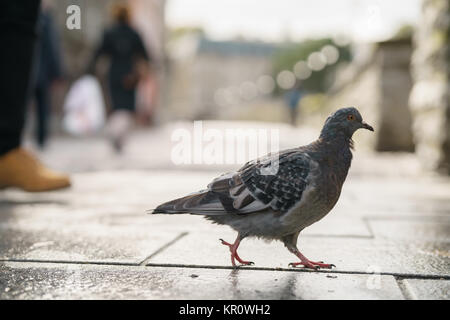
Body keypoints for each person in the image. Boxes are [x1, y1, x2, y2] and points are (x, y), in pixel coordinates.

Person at [0, 1, 71, 192]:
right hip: (39, 72)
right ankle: (7, 148)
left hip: (39, 73)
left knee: (20, 11)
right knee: (18, 11)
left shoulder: (47, 19)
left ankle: (9, 150)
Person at [88, 3, 151, 152]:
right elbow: (145, 56)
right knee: (127, 108)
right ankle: (117, 135)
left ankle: (115, 133)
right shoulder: (134, 33)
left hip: (114, 74)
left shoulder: (109, 32)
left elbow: (98, 53)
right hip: (130, 75)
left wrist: (90, 70)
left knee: (117, 107)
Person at [31, 2, 64, 148]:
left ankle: (38, 139)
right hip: (40, 72)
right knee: (42, 107)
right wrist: (57, 72)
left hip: (35, 71)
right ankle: (40, 139)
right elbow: (53, 48)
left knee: (38, 106)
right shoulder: (46, 20)